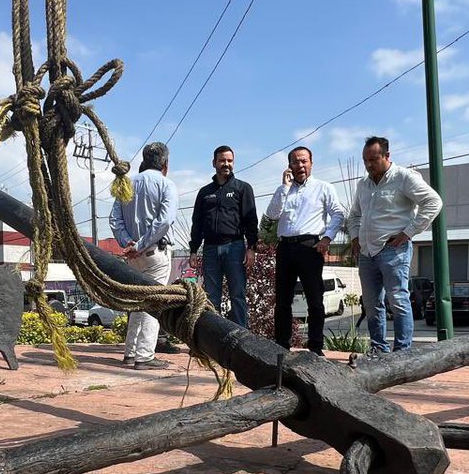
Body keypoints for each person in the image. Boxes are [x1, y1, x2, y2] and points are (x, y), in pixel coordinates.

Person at [346, 136, 443, 354]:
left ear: (387, 156)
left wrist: (409, 232)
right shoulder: (363, 184)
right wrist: (354, 238)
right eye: (365, 160)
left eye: (374, 159)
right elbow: (354, 215)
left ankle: (402, 353)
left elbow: (434, 202)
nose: (369, 165)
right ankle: (379, 350)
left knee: (398, 301)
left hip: (393, 250)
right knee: (371, 305)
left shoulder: (404, 178)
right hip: (366, 253)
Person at [264, 146, 347, 354]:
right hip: (285, 247)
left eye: (304, 161)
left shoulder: (324, 187)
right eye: (295, 162)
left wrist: (327, 238)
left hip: (310, 247)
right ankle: (282, 345)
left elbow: (337, 213)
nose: (300, 165)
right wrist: (284, 188)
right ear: (289, 165)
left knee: (315, 299)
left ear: (311, 163)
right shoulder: (283, 190)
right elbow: (272, 215)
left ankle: (316, 346)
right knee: (282, 300)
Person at [109, 141, 178, 369]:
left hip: (132, 255)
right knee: (152, 303)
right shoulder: (166, 185)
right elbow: (164, 221)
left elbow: (114, 219)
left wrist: (128, 242)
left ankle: (130, 353)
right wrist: (140, 243)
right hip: (154, 252)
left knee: (138, 304)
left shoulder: (127, 183)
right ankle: (145, 356)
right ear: (165, 164)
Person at [188, 145, 258, 326]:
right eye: (222, 160)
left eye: (229, 160)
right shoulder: (204, 192)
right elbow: (197, 223)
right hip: (210, 250)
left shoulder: (243, 188)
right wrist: (193, 250)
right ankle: (214, 339)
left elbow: (251, 220)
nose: (226, 164)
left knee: (238, 295)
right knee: (211, 298)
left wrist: (251, 248)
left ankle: (242, 338)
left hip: (234, 248)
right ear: (214, 163)